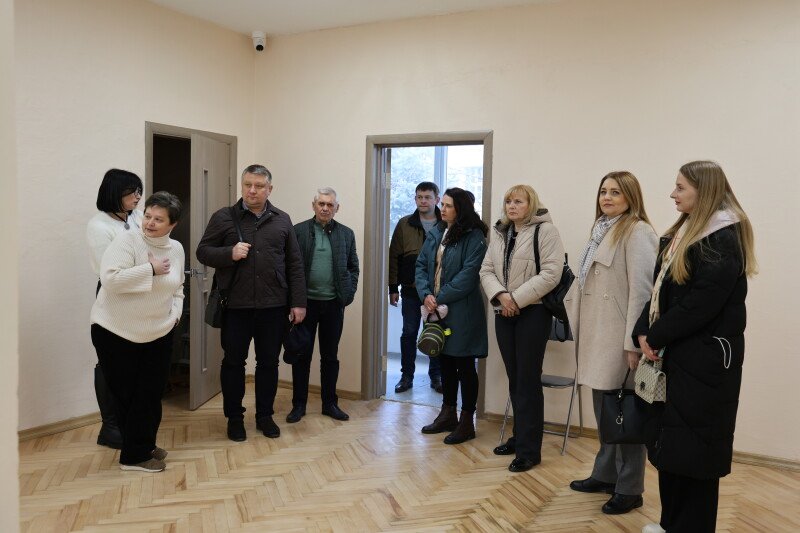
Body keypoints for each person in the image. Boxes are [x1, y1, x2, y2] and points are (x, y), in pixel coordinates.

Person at [634, 161, 756, 533]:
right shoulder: (685, 230)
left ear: (704, 192)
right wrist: (643, 331)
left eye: (680, 187)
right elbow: (659, 291)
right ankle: (670, 524)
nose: (672, 194)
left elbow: (699, 305)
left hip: (704, 364)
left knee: (696, 457)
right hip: (678, 357)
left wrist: (655, 336)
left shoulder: (723, 238)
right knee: (671, 449)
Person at [564, 172, 658, 512]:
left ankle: (630, 488)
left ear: (630, 196)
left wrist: (633, 342)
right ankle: (605, 474)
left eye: (615, 192)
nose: (607, 197)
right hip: (597, 333)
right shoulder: (601, 229)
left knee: (626, 414)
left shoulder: (638, 231)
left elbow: (642, 291)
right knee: (606, 411)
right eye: (603, 191)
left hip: (619, 338)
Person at [196, 164, 306, 442]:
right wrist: (229, 253)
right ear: (242, 185)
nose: (252, 191)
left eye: (259, 186)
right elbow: (202, 252)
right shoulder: (223, 217)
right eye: (248, 185)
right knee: (233, 363)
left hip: (274, 307)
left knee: (268, 363)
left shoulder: (282, 220)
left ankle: (264, 416)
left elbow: (294, 264)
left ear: (270, 189)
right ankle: (234, 419)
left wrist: (298, 303)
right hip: (236, 307)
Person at [90, 191, 185, 472]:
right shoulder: (128, 240)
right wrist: (149, 269)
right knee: (128, 396)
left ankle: (144, 445)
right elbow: (110, 279)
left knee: (150, 395)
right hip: (115, 331)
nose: (150, 223)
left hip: (158, 331)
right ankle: (133, 457)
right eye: (147, 216)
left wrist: (176, 315)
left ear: (172, 224)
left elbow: (178, 287)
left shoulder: (176, 249)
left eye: (159, 219)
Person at [480, 184, 566, 472]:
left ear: (531, 204)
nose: (512, 206)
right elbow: (486, 270)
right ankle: (519, 438)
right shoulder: (501, 232)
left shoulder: (546, 231)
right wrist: (502, 297)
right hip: (503, 310)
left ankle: (530, 451)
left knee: (528, 380)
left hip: (534, 312)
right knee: (515, 378)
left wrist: (515, 299)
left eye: (518, 201)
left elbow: (552, 273)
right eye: (508, 201)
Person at [416, 187, 488, 444]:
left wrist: (439, 296)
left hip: (462, 311)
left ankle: (467, 421)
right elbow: (421, 266)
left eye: (447, 205)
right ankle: (448, 414)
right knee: (444, 361)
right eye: (442, 205)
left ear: (460, 209)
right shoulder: (437, 231)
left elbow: (469, 275)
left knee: (465, 365)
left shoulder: (474, 236)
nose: (442, 209)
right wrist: (425, 294)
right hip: (436, 308)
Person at [85, 168, 144, 449]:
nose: (138, 197)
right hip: (113, 295)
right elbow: (108, 271)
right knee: (109, 362)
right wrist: (146, 267)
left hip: (140, 291)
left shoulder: (135, 217)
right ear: (115, 193)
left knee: (133, 363)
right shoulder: (99, 225)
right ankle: (110, 427)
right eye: (132, 192)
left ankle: (127, 421)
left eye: (139, 191)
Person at [289, 187, 359, 423]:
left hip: (333, 305)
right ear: (314, 206)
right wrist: (294, 302)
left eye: (330, 205)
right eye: (321, 204)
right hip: (304, 306)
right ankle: (298, 405)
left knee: (330, 357)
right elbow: (290, 267)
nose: (325, 208)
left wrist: (347, 294)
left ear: (337, 208)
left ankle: (330, 404)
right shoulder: (298, 231)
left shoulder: (346, 234)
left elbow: (353, 267)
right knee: (302, 356)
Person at [388, 182, 443, 393]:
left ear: (437, 199)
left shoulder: (445, 224)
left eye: (427, 197)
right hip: (410, 290)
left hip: (437, 291)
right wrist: (393, 287)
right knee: (409, 333)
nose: (423, 201)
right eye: (419, 197)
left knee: (435, 331)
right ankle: (406, 376)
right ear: (415, 199)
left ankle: (436, 376)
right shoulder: (404, 224)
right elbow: (394, 256)